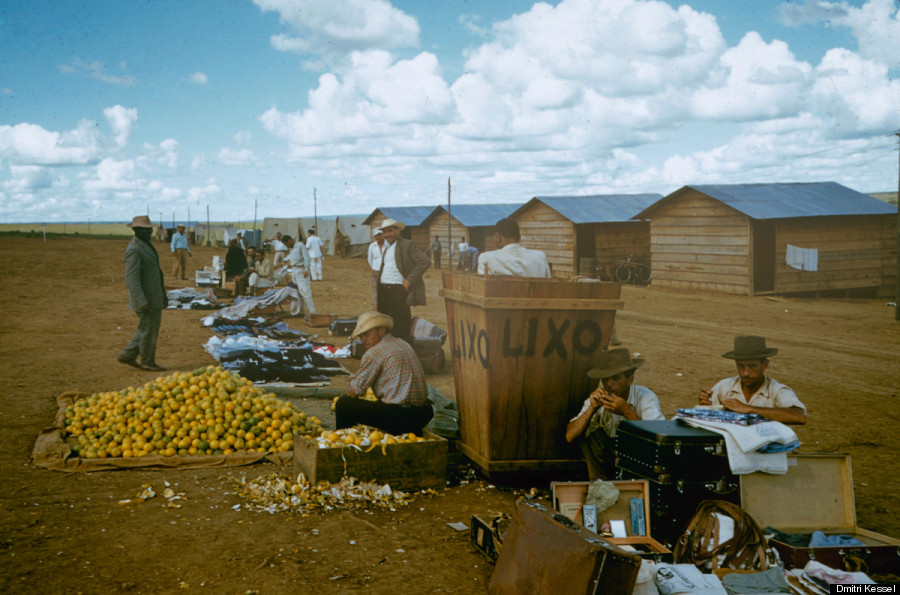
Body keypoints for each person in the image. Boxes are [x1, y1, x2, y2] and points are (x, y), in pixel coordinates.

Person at [566, 347, 664, 480]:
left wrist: (626, 411)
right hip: (611, 456)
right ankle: (601, 484)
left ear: (629, 380)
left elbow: (658, 441)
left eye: (615, 378)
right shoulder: (599, 396)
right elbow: (570, 436)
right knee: (587, 430)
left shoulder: (645, 397)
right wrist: (591, 409)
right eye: (605, 379)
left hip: (638, 458)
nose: (609, 384)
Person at [334, 312, 433, 435]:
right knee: (386, 405)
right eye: (361, 336)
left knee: (344, 404)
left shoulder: (374, 352)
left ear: (381, 331)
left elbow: (356, 391)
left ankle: (344, 445)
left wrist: (354, 383)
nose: (363, 340)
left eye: (367, 334)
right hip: (424, 413)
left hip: (399, 415)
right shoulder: (402, 343)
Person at [698, 336, 807, 424]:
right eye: (740, 366)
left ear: (765, 365)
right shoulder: (724, 387)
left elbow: (799, 416)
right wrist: (706, 405)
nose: (745, 373)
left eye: (752, 366)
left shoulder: (777, 390)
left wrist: (749, 409)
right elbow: (703, 415)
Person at [117, 215, 167, 372]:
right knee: (148, 331)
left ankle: (127, 355)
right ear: (136, 230)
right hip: (145, 299)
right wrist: (141, 301)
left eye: (149, 229)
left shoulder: (146, 245)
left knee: (147, 329)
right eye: (145, 230)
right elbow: (132, 279)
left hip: (154, 296)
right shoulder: (134, 249)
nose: (149, 232)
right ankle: (147, 361)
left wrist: (163, 295)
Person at [377, 218, 429, 344]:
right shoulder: (387, 247)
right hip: (384, 290)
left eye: (390, 231)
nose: (386, 234)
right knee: (386, 323)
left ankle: (404, 352)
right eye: (384, 232)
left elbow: (424, 261)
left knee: (400, 325)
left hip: (398, 290)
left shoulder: (407, 244)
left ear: (398, 230)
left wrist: (410, 280)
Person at [477, 217, 551, 278]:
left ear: (498, 237)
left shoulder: (487, 258)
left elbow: (483, 288)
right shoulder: (539, 256)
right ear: (519, 237)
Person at [283, 235, 316, 315]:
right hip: (294, 271)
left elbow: (307, 258)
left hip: (301, 271)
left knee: (305, 292)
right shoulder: (291, 248)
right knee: (296, 291)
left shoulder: (300, 246)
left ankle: (312, 312)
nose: (286, 246)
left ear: (290, 240)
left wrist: (306, 270)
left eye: (286, 244)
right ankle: (300, 311)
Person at [367, 227, 386, 309]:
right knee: (375, 290)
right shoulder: (372, 246)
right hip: (376, 271)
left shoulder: (388, 245)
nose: (378, 237)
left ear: (383, 235)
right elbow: (370, 259)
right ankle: (375, 309)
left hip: (386, 271)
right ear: (374, 237)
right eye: (376, 236)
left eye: (379, 235)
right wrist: (375, 267)